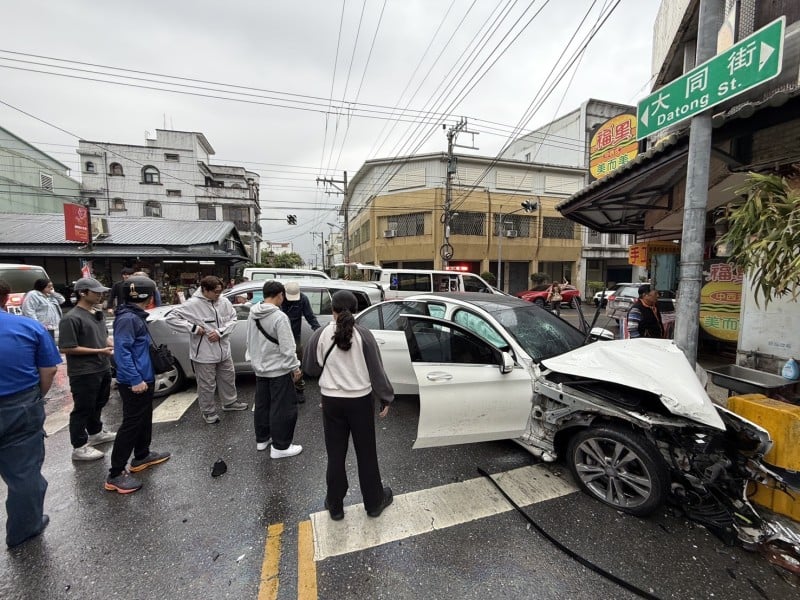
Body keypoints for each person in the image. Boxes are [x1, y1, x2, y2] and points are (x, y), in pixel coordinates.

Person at [303, 290, 394, 521]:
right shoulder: (364, 335)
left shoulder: (320, 334)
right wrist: (386, 397)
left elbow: (310, 368)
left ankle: (335, 505)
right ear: (355, 310)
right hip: (360, 401)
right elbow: (376, 371)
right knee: (366, 453)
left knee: (335, 454)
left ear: (332, 309)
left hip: (331, 402)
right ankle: (374, 502)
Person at [0, 278, 61, 548]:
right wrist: (36, 397)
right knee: (24, 473)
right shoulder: (28, 326)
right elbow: (49, 370)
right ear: (5, 298)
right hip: (19, 405)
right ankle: (23, 529)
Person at [105, 276, 171, 494]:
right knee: (131, 424)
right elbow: (122, 352)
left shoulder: (134, 316)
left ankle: (142, 455)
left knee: (143, 418)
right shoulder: (128, 319)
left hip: (144, 377)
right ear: (148, 296)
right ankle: (115, 474)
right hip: (135, 380)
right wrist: (135, 379)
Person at [166, 275, 246, 423]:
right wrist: (193, 328)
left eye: (220, 291)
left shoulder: (224, 301)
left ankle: (230, 402)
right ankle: (208, 412)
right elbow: (170, 318)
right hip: (203, 353)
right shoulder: (192, 304)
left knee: (228, 378)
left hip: (224, 350)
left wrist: (220, 332)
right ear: (204, 289)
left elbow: (233, 319)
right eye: (215, 292)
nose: (218, 294)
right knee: (206, 385)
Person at [58, 278, 117, 462]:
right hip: (83, 371)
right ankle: (79, 446)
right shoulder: (71, 318)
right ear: (82, 293)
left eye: (101, 292)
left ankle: (96, 432)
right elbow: (66, 347)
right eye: (96, 292)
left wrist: (112, 345)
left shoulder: (97, 313)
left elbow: (103, 337)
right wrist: (99, 351)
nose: (100, 295)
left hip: (102, 366)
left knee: (99, 402)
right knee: (83, 408)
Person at [246, 280, 303, 458]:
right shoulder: (279, 317)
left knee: (262, 404)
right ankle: (281, 447)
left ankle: (262, 439)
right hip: (278, 369)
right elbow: (288, 347)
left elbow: (249, 340)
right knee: (283, 407)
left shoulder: (253, 313)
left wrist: (254, 359)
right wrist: (295, 367)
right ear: (280, 295)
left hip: (260, 367)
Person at [280, 281, 320, 400]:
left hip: (295, 336)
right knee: (281, 363)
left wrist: (319, 331)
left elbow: (310, 317)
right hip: (279, 336)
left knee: (297, 362)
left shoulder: (303, 299)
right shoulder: (279, 299)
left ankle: (299, 389)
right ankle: (283, 390)